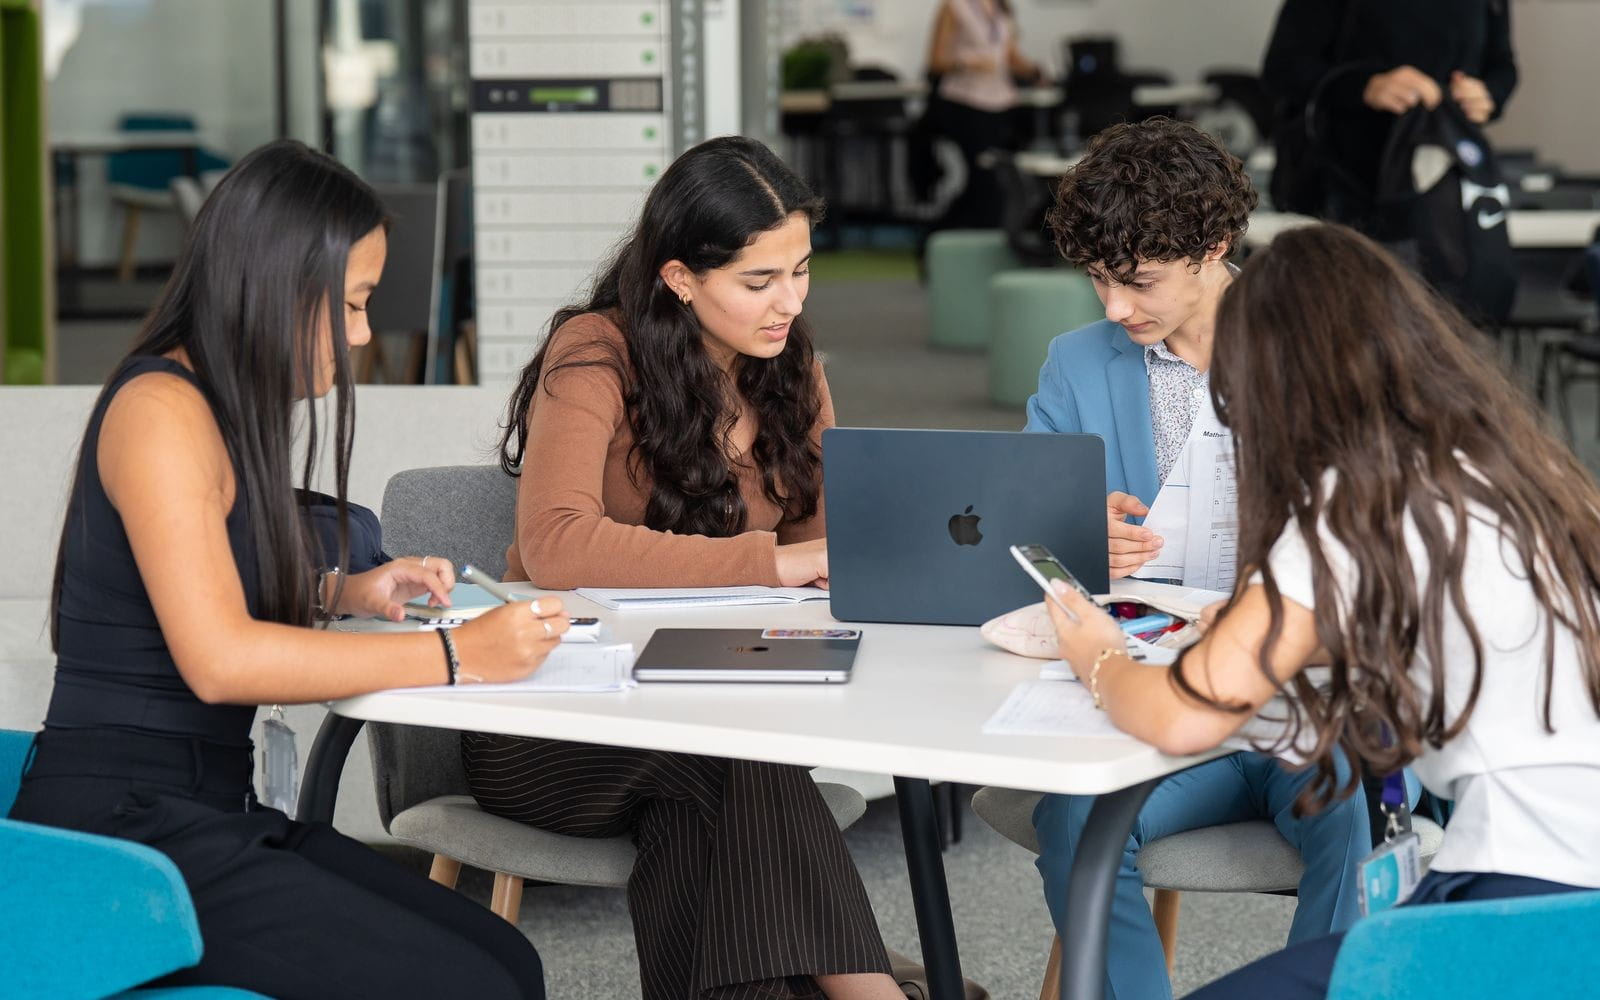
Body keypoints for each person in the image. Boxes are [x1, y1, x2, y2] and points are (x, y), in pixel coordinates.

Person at [5, 140, 559, 999]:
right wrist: (462, 655)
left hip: (204, 811)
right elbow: (221, 659)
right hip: (123, 834)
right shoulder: (159, 413)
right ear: (274, 286)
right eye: (354, 304)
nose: (365, 334)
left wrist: (345, 589)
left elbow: (197, 580)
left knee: (509, 962)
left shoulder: (218, 410)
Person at [1044, 222, 1600, 998]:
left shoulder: (1351, 503)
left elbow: (1181, 717)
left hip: (1524, 899)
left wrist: (1096, 652)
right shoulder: (1505, 474)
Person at [469, 135, 899, 1000]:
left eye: (802, 271)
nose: (789, 303)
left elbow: (828, 551)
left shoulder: (790, 365)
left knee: (704, 811)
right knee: (737, 757)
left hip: (718, 697)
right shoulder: (595, 353)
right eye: (759, 282)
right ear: (678, 278)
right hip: (558, 717)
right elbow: (556, 542)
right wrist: (770, 565)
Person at [1023, 119, 1372, 1000]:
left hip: (1303, 687)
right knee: (1072, 825)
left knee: (1360, 820)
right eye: (1097, 279)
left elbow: (1387, 542)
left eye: (1137, 281)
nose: (1112, 307)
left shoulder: (1323, 350)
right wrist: (1075, 531)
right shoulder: (1077, 363)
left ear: (1214, 247)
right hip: (1152, 691)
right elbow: (1021, 530)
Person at [1262, 0, 1516, 232]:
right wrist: (1366, 86)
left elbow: (1502, 65)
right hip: (1345, 188)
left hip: (1447, 186)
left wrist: (1486, 94)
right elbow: (1283, 67)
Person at [924, 0, 1043, 233]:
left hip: (1000, 103)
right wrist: (968, 62)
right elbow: (935, 61)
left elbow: (1008, 56)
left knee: (997, 181)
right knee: (983, 182)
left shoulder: (1001, 8)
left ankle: (984, 237)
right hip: (966, 103)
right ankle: (937, 238)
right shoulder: (955, 7)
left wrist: (1035, 72)